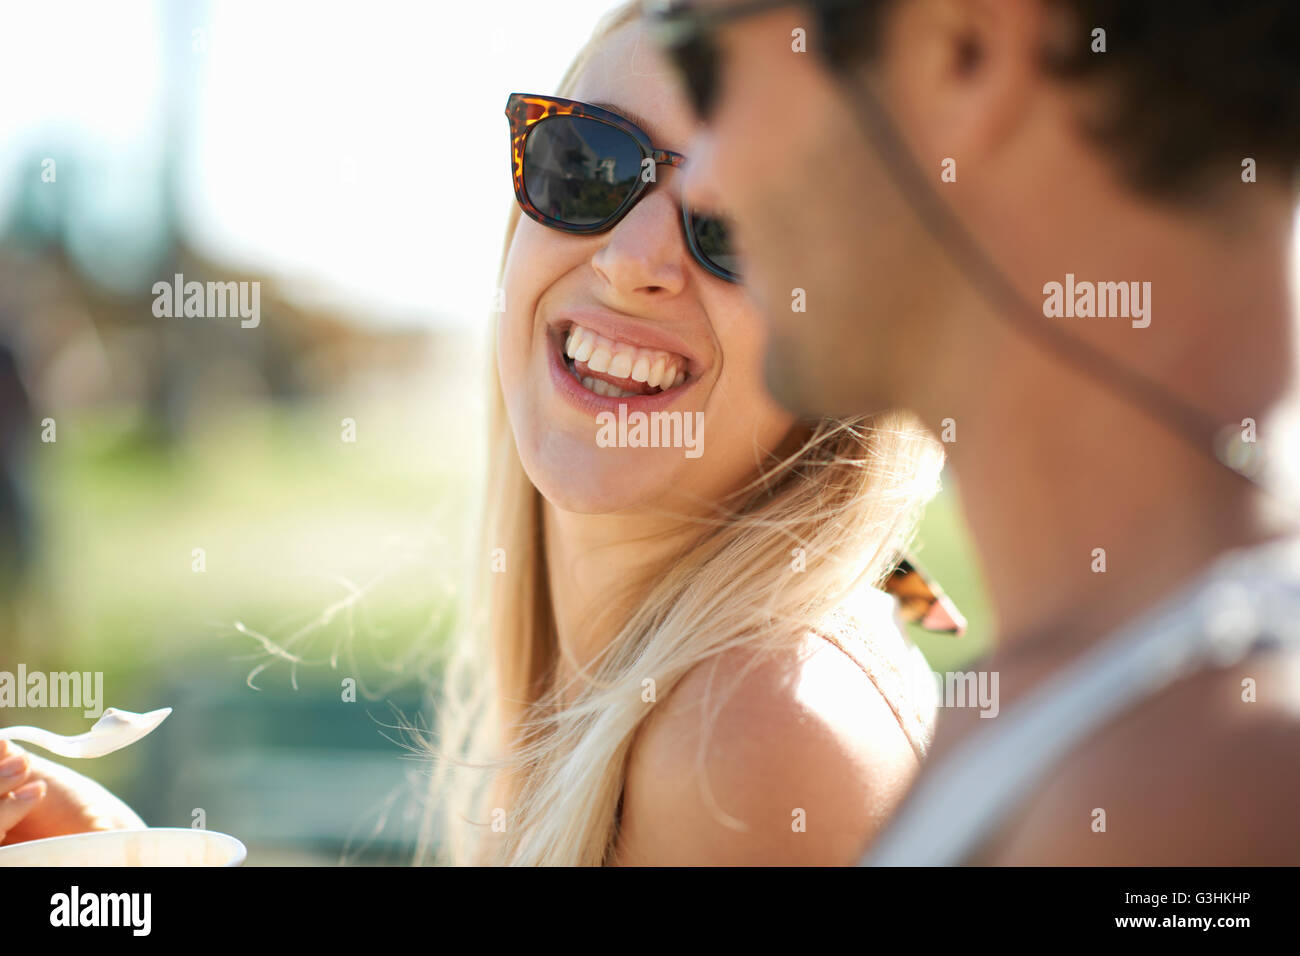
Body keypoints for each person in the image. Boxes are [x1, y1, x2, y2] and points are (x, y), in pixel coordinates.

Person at [2, 1, 957, 867]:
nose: (632, 260)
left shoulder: (753, 738)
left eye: (742, 219)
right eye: (585, 162)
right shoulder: (670, 697)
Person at [645, 0, 1300, 863]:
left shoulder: (1194, 787)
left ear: (965, 48)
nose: (700, 183)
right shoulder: (1120, 718)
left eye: (706, 65)